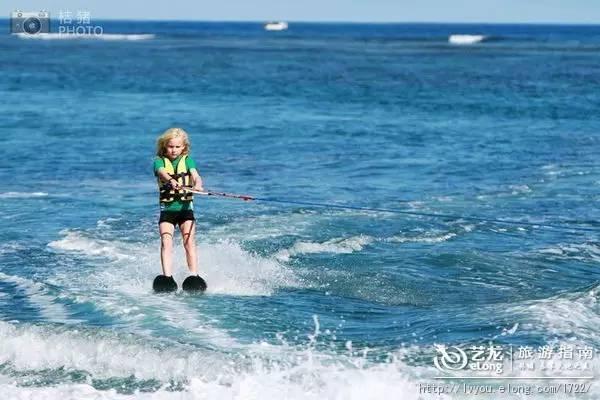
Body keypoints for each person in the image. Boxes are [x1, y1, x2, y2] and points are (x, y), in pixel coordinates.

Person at [153, 127, 204, 280]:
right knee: (166, 241)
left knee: (189, 241)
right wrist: (171, 180)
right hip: (167, 210)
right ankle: (167, 277)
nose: (174, 150)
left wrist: (198, 185)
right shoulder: (159, 161)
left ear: (183, 147)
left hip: (185, 209)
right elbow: (161, 172)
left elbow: (196, 176)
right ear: (164, 146)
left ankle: (193, 276)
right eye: (170, 146)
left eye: (177, 147)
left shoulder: (188, 160)